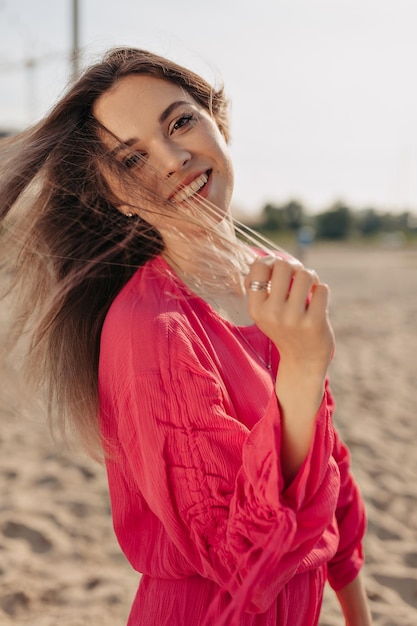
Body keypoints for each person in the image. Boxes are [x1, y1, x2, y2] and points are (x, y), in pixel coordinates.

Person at [0, 47, 373, 625]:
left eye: (180, 121)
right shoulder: (150, 330)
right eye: (132, 160)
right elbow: (242, 557)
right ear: (117, 197)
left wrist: (356, 607)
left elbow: (328, 463)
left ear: (218, 123)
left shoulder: (268, 269)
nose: (172, 159)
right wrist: (300, 367)